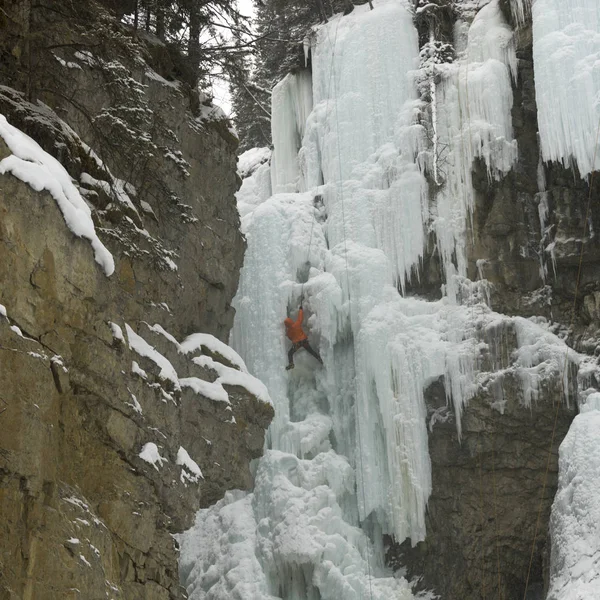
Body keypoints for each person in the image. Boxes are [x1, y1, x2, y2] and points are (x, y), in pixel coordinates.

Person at [284, 306, 323, 370]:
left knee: (290, 353)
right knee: (311, 351)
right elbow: (300, 318)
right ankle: (319, 359)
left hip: (297, 344)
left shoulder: (288, 332)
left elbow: (290, 338)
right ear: (291, 321)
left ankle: (291, 364)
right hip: (304, 341)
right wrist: (300, 309)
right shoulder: (296, 324)